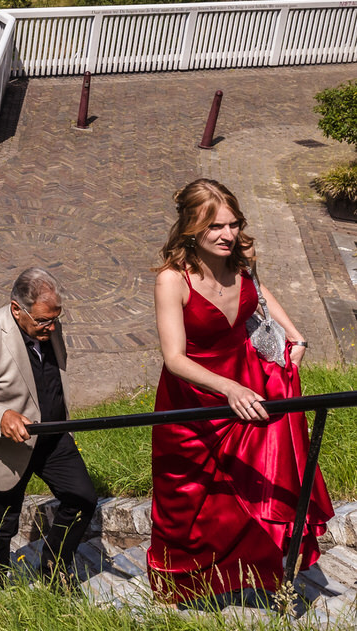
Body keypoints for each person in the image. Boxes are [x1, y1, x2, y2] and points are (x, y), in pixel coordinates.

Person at [148, 178, 333, 602]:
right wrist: (228, 389)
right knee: (192, 502)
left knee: (258, 489)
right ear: (191, 228)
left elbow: (258, 290)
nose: (228, 235)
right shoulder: (172, 281)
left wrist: (295, 334)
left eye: (233, 224)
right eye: (215, 226)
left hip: (250, 387)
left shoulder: (238, 260)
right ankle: (181, 588)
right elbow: (174, 358)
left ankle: (257, 575)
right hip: (195, 401)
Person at [0, 267, 95, 581]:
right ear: (17, 309)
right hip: (7, 447)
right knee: (3, 523)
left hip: (52, 437)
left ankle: (52, 570)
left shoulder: (49, 323)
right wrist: (0, 417)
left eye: (56, 317)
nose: (51, 326)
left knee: (83, 499)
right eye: (43, 320)